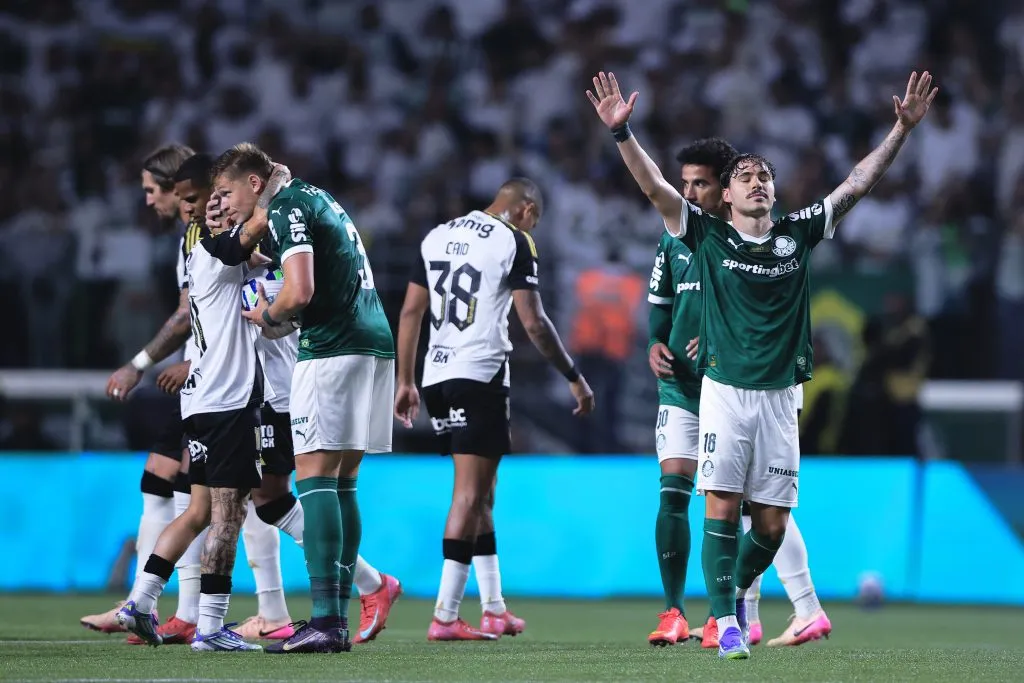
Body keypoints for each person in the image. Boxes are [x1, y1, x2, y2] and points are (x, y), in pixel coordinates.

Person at [590, 69, 937, 658]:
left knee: (771, 528)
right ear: (726, 195)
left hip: (780, 399)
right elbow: (656, 190)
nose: (756, 182)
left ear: (774, 193)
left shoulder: (797, 235)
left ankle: (725, 606)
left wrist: (901, 130)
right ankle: (726, 622)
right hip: (724, 392)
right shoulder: (704, 235)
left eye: (764, 176)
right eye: (745, 176)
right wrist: (623, 134)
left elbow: (857, 183)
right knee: (721, 507)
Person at [393, 178, 595, 640]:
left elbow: (409, 313)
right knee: (468, 493)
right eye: (536, 220)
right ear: (525, 209)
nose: (534, 228)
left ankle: (494, 608)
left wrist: (405, 381)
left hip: (436, 376)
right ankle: (445, 616)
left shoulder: (437, 235)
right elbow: (534, 321)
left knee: (483, 492)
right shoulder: (514, 239)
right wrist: (573, 377)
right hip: (479, 374)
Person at [223, 143, 398, 654]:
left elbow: (298, 291)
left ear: (254, 184)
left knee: (316, 481)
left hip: (332, 347)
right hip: (371, 338)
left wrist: (269, 317)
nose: (226, 203)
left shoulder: (285, 207)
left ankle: (325, 619)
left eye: (227, 192)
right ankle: (336, 618)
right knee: (342, 484)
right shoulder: (313, 196)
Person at [117, 152, 282, 652]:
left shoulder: (203, 258)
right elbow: (261, 223)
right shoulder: (217, 251)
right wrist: (272, 185)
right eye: (212, 209)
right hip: (229, 402)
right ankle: (211, 628)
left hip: (199, 399)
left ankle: (139, 601)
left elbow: (259, 254)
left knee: (196, 513)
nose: (218, 212)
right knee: (229, 515)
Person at [81, 143, 196, 635]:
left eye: (152, 190)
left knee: (250, 503)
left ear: (176, 188)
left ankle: (187, 614)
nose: (148, 200)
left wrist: (142, 364)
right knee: (164, 486)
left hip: (231, 382)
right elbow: (194, 311)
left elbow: (221, 307)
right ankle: (152, 606)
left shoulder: (214, 234)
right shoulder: (190, 238)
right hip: (207, 379)